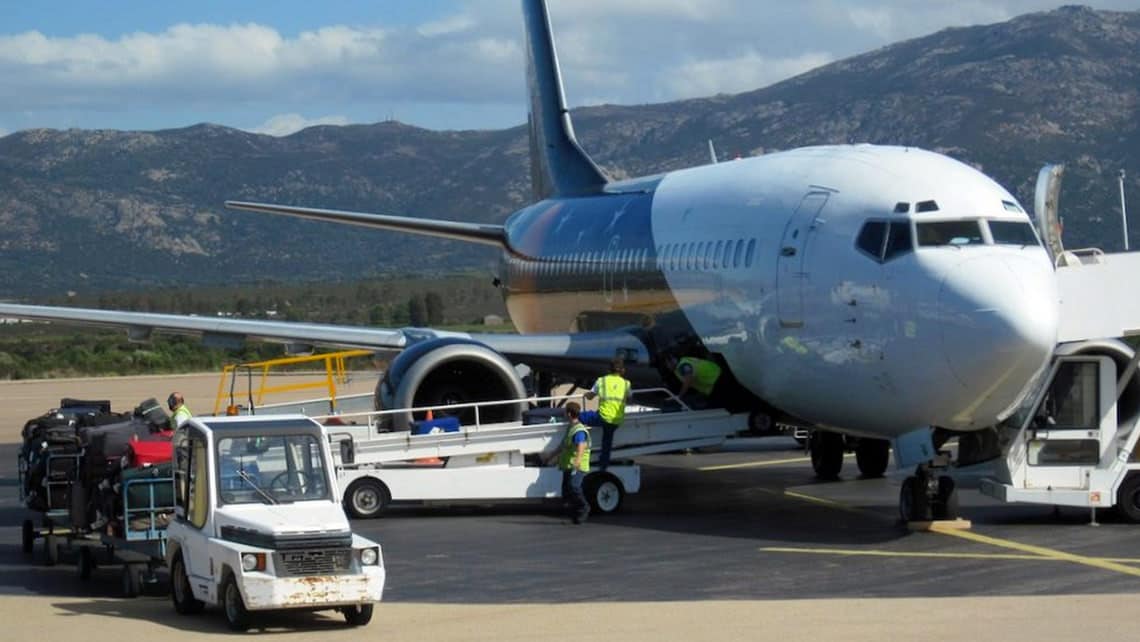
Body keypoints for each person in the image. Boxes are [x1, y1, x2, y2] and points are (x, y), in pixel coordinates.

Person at [547, 401, 590, 524]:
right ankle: (574, 516)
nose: (564, 414)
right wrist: (550, 457)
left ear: (570, 414)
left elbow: (581, 446)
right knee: (566, 491)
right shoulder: (570, 428)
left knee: (574, 487)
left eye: (565, 412)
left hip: (577, 466)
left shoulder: (578, 430)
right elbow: (562, 446)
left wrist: (577, 460)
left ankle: (584, 507)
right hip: (568, 466)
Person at [585, 356, 631, 471]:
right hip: (616, 420)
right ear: (622, 370)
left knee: (581, 416)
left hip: (602, 417)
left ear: (609, 369)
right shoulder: (626, 384)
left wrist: (586, 395)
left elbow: (590, 397)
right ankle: (603, 466)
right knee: (607, 443)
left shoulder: (602, 381)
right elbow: (629, 398)